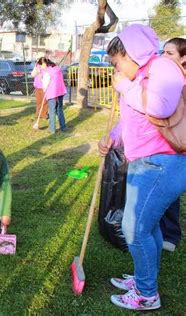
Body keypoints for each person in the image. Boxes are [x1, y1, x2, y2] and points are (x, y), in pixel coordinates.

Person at [98, 24, 185, 311]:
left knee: (135, 230)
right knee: (147, 228)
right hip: (145, 163)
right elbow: (132, 120)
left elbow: (159, 108)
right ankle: (142, 279)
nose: (117, 68)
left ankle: (147, 294)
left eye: (118, 61)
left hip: (162, 164)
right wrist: (112, 138)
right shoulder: (141, 76)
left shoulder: (162, 67)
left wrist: (124, 86)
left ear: (132, 53)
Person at [159, 37, 186, 252]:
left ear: (183, 58)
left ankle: (171, 234)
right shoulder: (164, 77)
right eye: (163, 52)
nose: (164, 57)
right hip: (163, 143)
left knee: (171, 192)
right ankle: (161, 229)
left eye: (170, 53)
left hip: (179, 145)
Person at [41, 58, 67, 133]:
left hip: (52, 93)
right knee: (60, 109)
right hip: (60, 91)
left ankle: (52, 130)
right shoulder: (57, 69)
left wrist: (44, 89)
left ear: (45, 64)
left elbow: (45, 84)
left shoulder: (47, 72)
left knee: (52, 111)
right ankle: (63, 127)